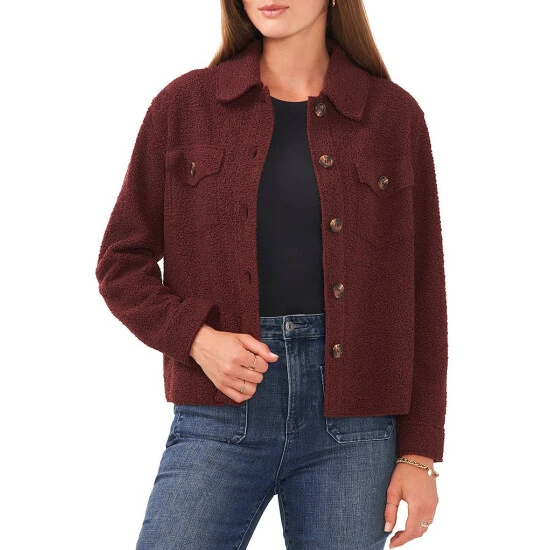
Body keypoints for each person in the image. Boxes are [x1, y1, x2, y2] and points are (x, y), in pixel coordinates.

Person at [95, 1, 448, 549]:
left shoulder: (392, 116)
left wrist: (420, 454)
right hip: (220, 411)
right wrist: (197, 339)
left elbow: (424, 294)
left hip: (355, 427)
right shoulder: (185, 106)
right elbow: (120, 262)